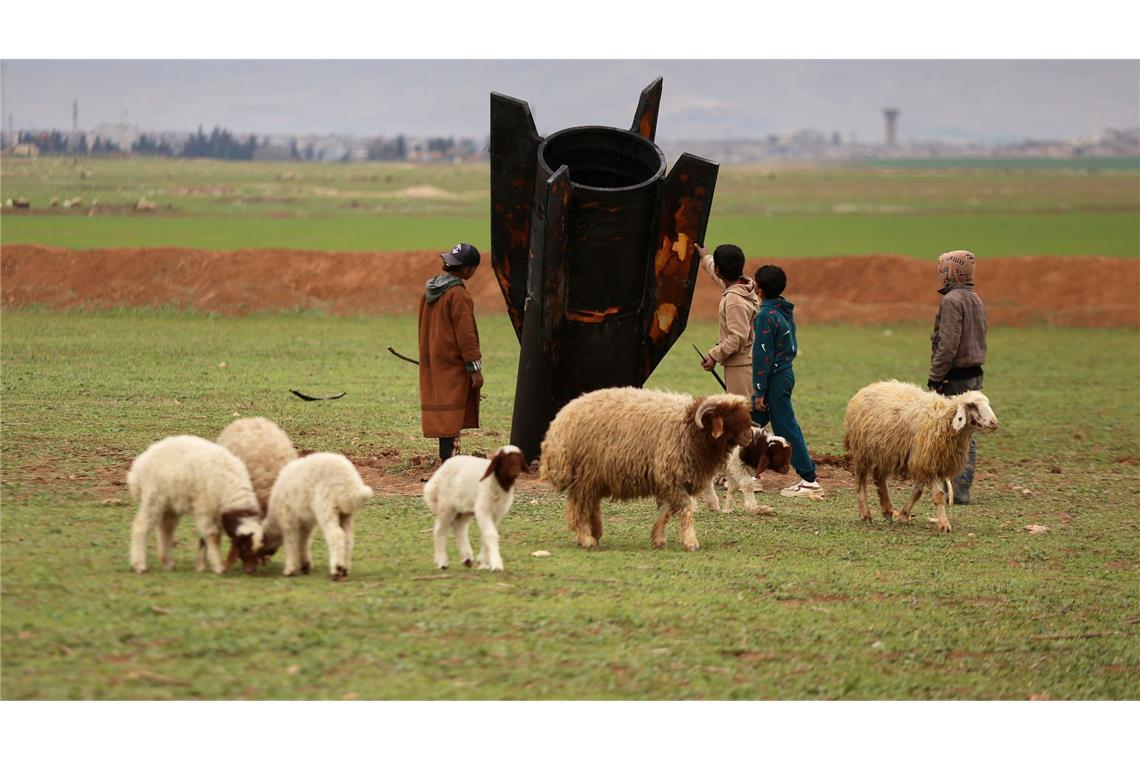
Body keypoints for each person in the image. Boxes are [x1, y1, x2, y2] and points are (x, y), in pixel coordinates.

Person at [751, 264, 822, 498]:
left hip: (775, 379)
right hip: (784, 373)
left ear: (759, 289)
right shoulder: (783, 309)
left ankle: (809, 479)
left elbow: (762, 355)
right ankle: (749, 473)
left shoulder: (764, 316)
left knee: (785, 428)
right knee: (751, 422)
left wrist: (760, 390)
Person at [927, 249, 987, 505]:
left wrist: (936, 377)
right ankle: (962, 489)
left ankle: (954, 490)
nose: (941, 274)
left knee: (952, 432)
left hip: (956, 376)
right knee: (968, 433)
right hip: (974, 374)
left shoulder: (952, 300)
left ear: (951, 272)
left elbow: (948, 344)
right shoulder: (974, 298)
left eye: (943, 269)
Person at [418, 243, 484, 463]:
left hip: (434, 359)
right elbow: (467, 336)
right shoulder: (458, 295)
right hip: (453, 363)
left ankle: (447, 456)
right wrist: (475, 369)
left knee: (444, 410)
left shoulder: (429, 291)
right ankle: (451, 461)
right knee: (452, 413)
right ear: (468, 269)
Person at [694, 243, 760, 399]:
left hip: (740, 367)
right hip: (748, 361)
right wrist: (705, 257)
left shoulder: (734, 301)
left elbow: (737, 337)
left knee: (742, 411)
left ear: (719, 270)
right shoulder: (743, 285)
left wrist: (714, 355)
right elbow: (716, 274)